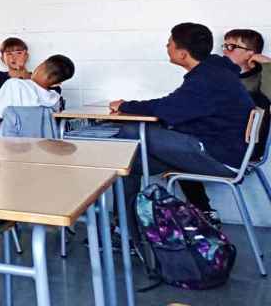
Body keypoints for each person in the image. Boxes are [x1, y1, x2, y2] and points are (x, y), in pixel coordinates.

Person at [109, 23, 254, 234]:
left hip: (221, 157)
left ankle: (127, 230)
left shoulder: (208, 78)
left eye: (170, 43)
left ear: (183, 53)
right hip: (220, 150)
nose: (166, 46)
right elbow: (176, 108)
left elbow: (167, 108)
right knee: (129, 163)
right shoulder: (213, 72)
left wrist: (124, 105)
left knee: (131, 132)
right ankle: (124, 230)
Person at [179, 28, 271, 222]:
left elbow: (267, 97)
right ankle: (202, 212)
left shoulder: (258, 80)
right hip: (220, 139)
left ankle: (202, 212)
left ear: (250, 53)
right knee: (180, 145)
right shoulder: (221, 76)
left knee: (178, 152)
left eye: (232, 47)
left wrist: (267, 64)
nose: (225, 51)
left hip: (239, 147)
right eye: (225, 46)